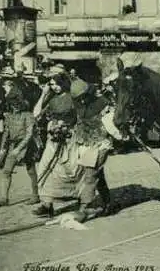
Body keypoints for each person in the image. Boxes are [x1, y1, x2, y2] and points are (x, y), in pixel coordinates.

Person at [32, 79, 114, 220]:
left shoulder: (103, 103)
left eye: (82, 98)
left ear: (88, 94)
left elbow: (110, 123)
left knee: (91, 172)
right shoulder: (77, 102)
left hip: (98, 142)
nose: (80, 101)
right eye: (78, 99)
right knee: (91, 172)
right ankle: (105, 202)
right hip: (81, 141)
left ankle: (85, 206)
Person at [0, 86, 41, 207]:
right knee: (6, 171)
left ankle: (35, 195)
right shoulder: (8, 116)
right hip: (12, 145)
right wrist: (2, 149)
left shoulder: (28, 115)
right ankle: (4, 198)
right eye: (12, 104)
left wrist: (18, 149)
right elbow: (6, 133)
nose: (15, 107)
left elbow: (29, 134)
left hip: (27, 145)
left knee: (31, 171)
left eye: (16, 104)